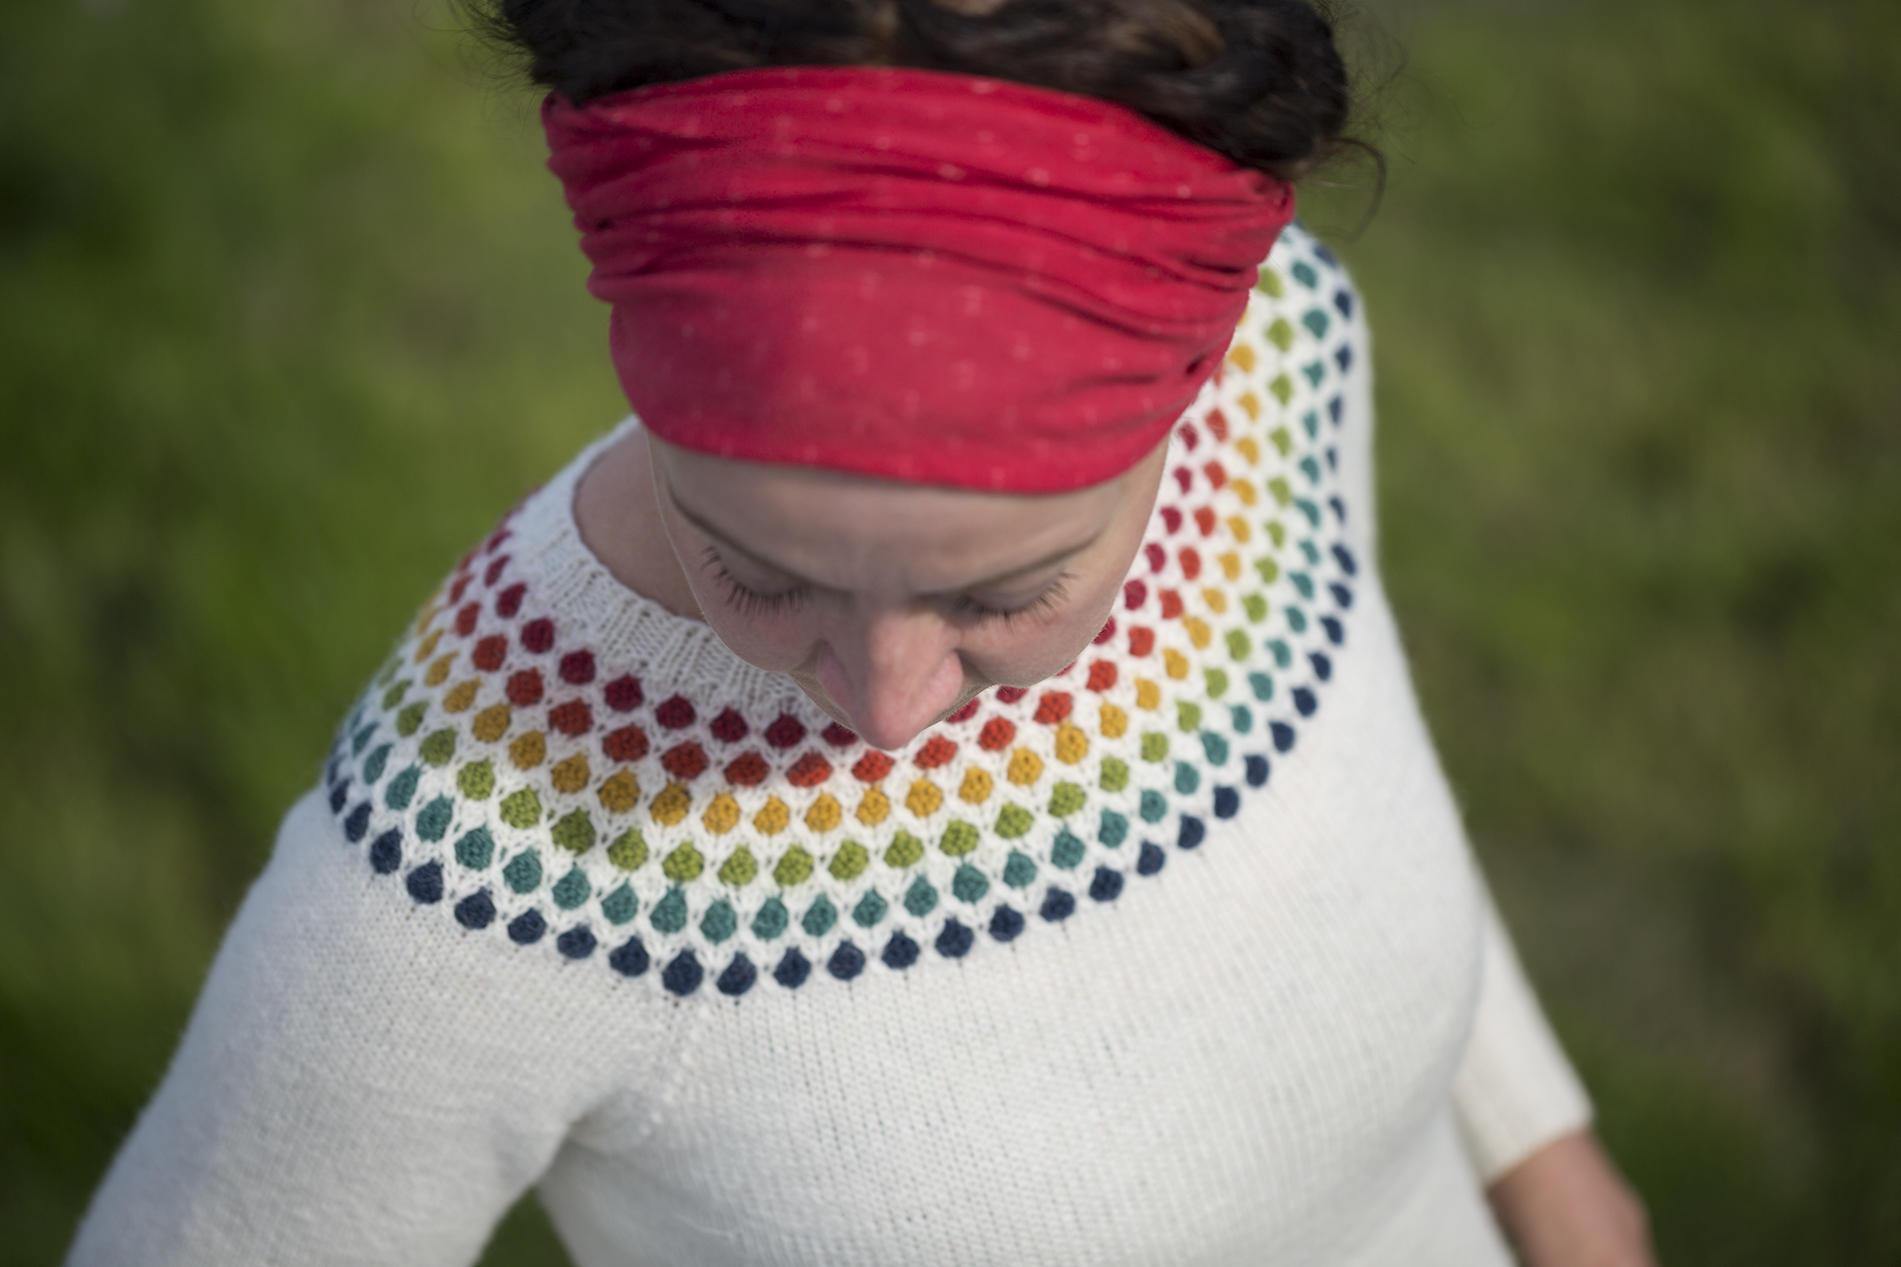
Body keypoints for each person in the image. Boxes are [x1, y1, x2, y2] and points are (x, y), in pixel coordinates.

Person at [65, 3, 1656, 1264]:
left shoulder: (1281, 359)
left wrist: (1544, 1156)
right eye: (757, 569)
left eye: (1002, 594)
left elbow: (1337, 787)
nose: (884, 711)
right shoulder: (472, 873)